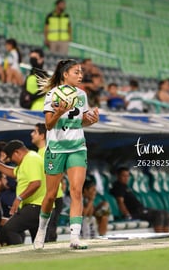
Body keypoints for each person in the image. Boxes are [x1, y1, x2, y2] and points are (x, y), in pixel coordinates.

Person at [33, 59, 100, 250]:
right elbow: (48, 125)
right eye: (76, 72)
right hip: (56, 148)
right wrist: (59, 112)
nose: (80, 76)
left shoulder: (82, 95)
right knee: (51, 195)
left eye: (81, 73)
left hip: (77, 147)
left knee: (76, 191)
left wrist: (91, 121)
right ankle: (41, 230)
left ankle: (74, 237)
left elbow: (81, 122)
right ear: (65, 74)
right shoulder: (52, 95)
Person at [0, 140, 46, 246]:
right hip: (36, 205)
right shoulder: (27, 161)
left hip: (35, 205)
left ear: (17, 152)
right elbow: (13, 173)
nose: (13, 161)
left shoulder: (31, 159)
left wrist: (19, 198)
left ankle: (18, 254)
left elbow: (36, 183)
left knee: (10, 228)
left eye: (11, 157)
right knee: (38, 240)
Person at [111, 167, 169, 233]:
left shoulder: (126, 187)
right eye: (123, 176)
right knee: (159, 214)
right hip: (135, 212)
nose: (126, 178)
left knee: (166, 213)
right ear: (118, 176)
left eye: (127, 176)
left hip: (140, 210)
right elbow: (120, 202)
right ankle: (159, 237)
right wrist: (127, 215)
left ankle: (166, 238)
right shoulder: (118, 187)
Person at [31, 122, 63, 242]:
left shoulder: (47, 152)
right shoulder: (40, 153)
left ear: (42, 135)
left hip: (52, 196)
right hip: (50, 195)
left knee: (49, 232)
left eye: (35, 132)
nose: (32, 134)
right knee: (47, 230)